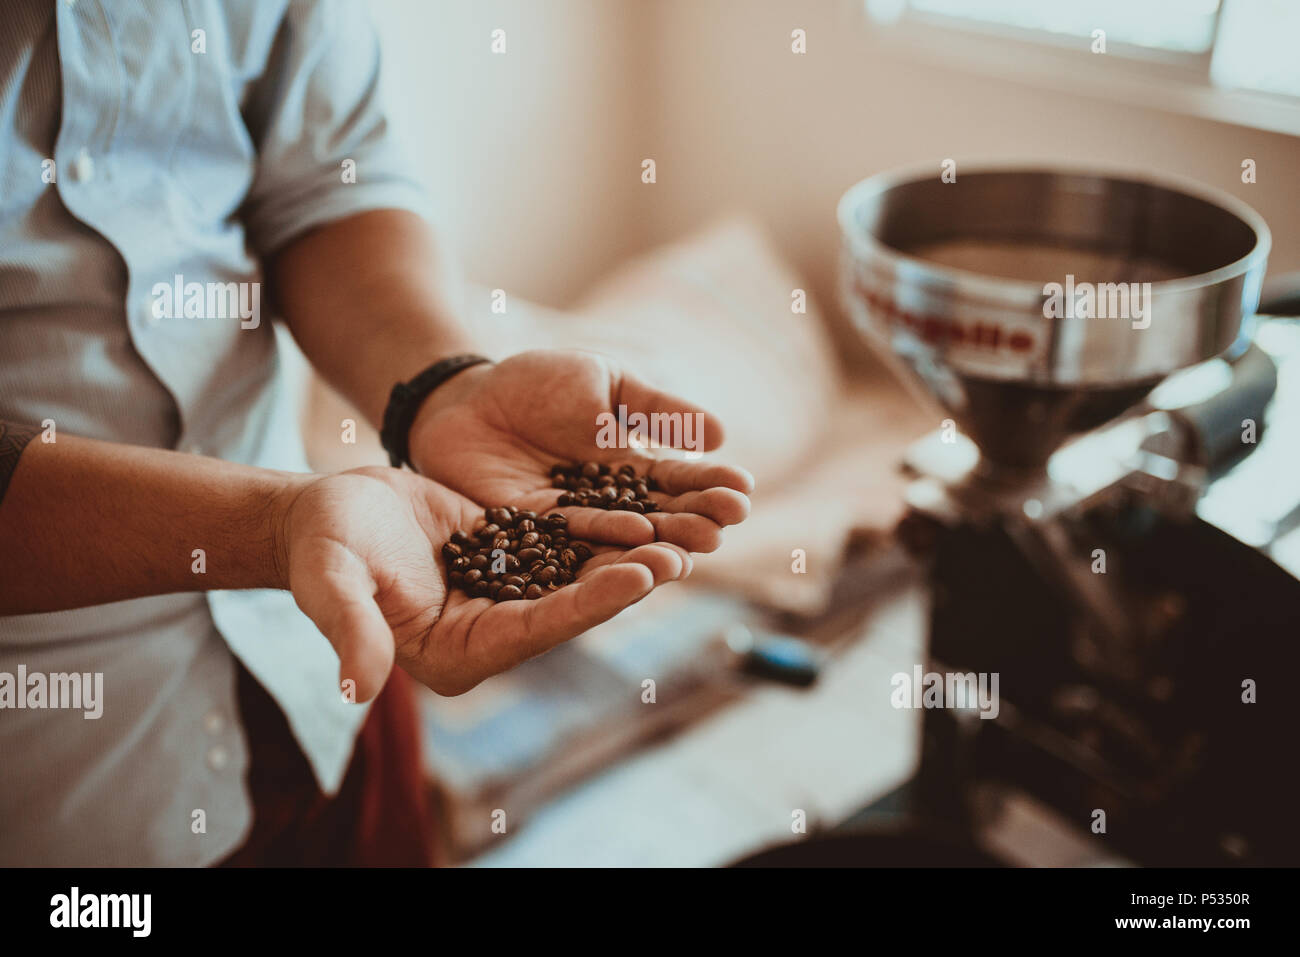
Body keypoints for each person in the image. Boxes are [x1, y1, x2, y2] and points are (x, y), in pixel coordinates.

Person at [0, 0, 751, 866]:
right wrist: (271, 529)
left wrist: (439, 386)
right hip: (65, 795)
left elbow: (323, 184)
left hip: (323, 665)